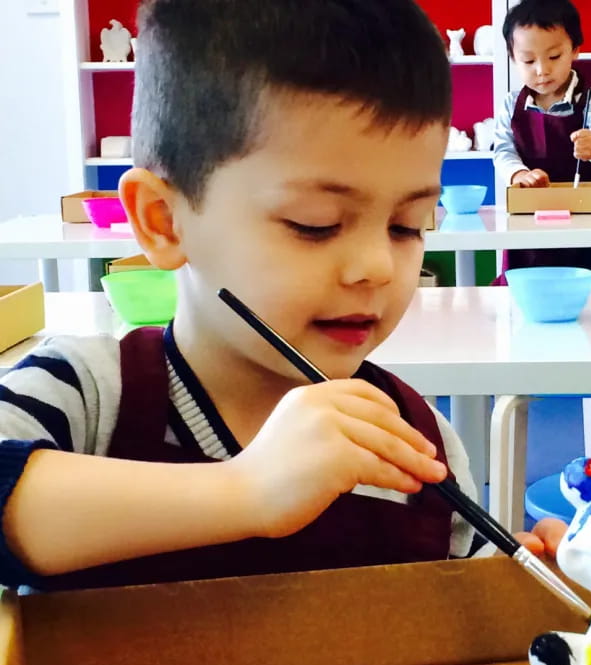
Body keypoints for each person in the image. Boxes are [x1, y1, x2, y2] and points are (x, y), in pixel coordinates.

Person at [0, 0, 558, 592]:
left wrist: (511, 588)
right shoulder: (83, 396)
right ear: (165, 220)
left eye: (408, 225)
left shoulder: (412, 442)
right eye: (314, 224)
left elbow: (450, 619)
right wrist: (245, 489)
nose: (375, 266)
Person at [492, 0, 591, 283]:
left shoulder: (588, 99)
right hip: (527, 211)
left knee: (578, 276)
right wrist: (519, 174)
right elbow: (502, 149)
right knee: (521, 277)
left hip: (579, 212)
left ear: (574, 50)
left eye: (553, 57)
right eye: (528, 60)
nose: (541, 70)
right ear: (513, 58)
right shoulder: (512, 104)